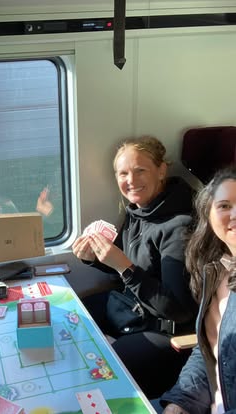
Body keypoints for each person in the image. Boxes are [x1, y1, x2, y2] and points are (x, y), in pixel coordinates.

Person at [72, 136, 198, 398]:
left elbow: (178, 309)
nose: (131, 180)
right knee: (74, 318)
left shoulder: (179, 226)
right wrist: (94, 258)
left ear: (161, 170)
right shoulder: (138, 211)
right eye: (123, 173)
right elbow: (123, 265)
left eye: (140, 170)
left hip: (165, 329)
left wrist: (123, 265)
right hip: (134, 308)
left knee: (105, 369)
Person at [160, 166, 236, 414]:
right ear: (208, 214)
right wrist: (180, 402)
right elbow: (210, 352)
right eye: (224, 205)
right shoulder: (218, 270)